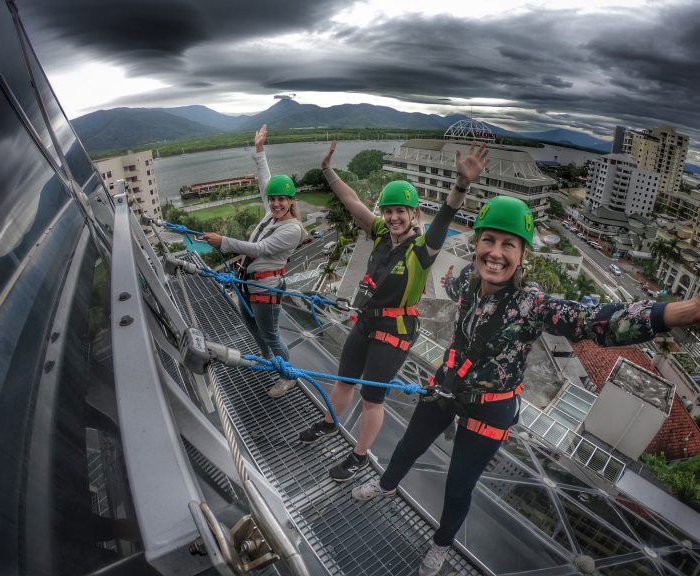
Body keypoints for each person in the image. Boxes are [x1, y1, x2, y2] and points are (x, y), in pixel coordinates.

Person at [349, 195, 700, 576]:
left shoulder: (533, 304)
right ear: (477, 244)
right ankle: (386, 485)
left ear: (523, 255)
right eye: (488, 240)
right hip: (448, 386)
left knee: (458, 486)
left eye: (508, 245)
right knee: (408, 446)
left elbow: (597, 321)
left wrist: (688, 310)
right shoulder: (468, 280)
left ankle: (441, 545)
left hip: (490, 407)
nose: (496, 253)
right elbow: (452, 286)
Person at [298, 140, 490, 483]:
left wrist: (462, 185)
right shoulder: (381, 233)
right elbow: (351, 201)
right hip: (366, 320)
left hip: (395, 330)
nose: (393, 217)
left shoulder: (423, 249)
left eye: (400, 211)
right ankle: (330, 423)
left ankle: (359, 456)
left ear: (414, 213)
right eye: (388, 210)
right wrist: (328, 171)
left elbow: (446, 216)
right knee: (344, 380)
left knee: (372, 398)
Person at [203, 124, 306, 398]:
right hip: (247, 284)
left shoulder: (292, 229)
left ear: (291, 201)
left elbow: (260, 248)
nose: (276, 203)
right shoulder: (271, 215)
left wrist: (223, 242)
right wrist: (259, 149)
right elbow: (266, 182)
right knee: (254, 329)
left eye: (282, 199)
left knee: (271, 334)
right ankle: (267, 362)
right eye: (273, 199)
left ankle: (287, 376)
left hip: (266, 288)